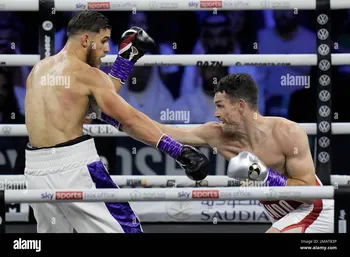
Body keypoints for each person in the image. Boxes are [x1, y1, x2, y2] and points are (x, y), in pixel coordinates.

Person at [24, 10, 209, 233]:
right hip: (74, 168)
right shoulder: (88, 75)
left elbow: (90, 111)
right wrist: (179, 151)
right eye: (102, 41)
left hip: (35, 170)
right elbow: (128, 118)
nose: (107, 48)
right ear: (85, 40)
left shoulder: (38, 71)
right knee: (127, 230)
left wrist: (126, 60)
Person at [116, 73, 333, 233]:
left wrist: (264, 175)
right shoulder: (216, 135)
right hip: (283, 217)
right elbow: (160, 130)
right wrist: (117, 116)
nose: (216, 113)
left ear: (240, 106)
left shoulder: (287, 132)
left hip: (315, 212)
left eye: (220, 106)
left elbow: (310, 194)